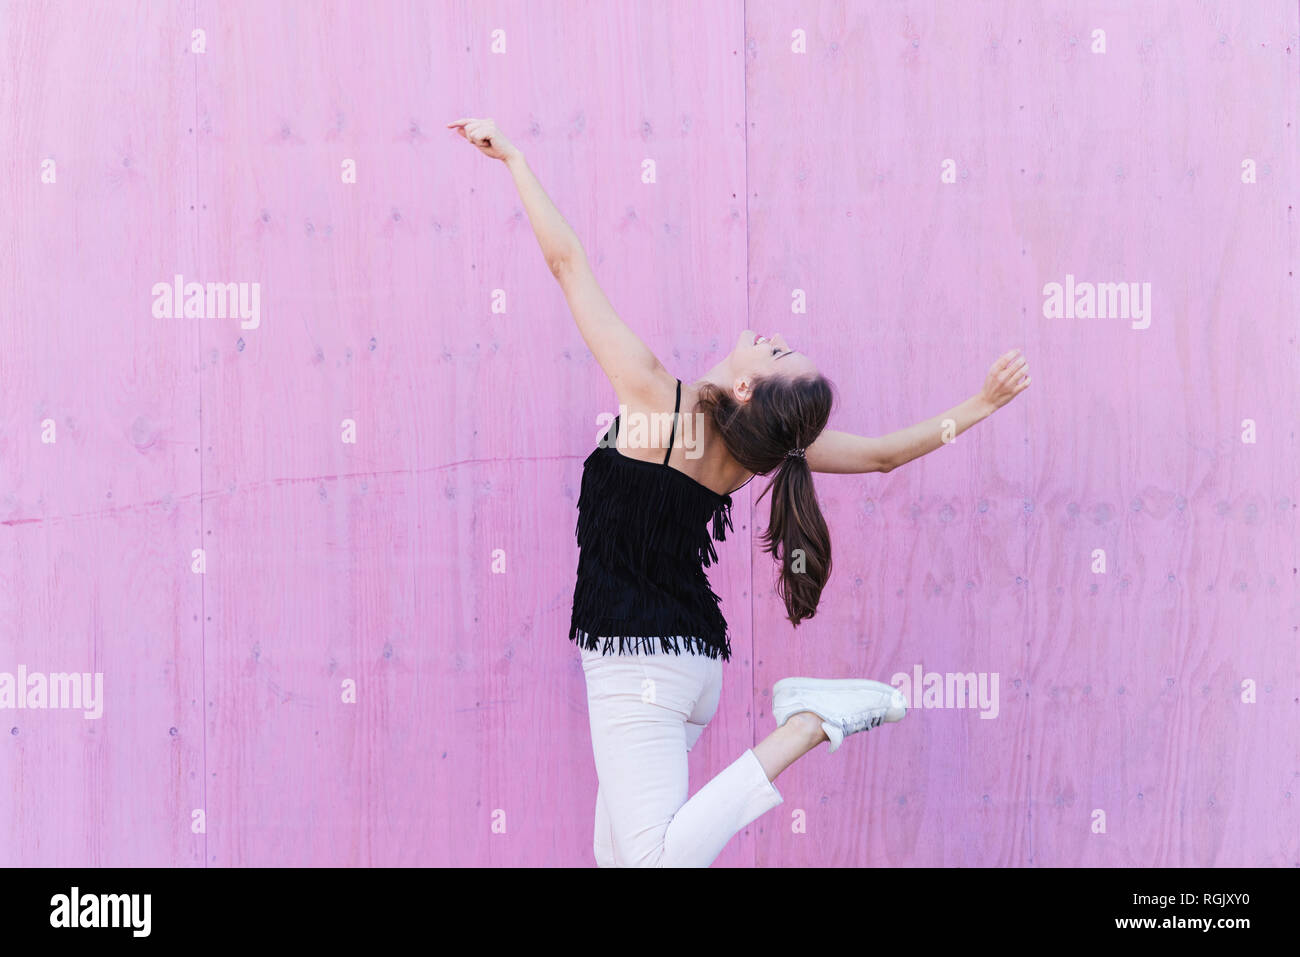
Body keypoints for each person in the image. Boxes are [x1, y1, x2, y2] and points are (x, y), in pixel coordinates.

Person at [448, 117, 1031, 867]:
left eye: (778, 350)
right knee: (617, 861)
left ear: (750, 381)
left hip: (637, 665)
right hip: (688, 669)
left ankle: (808, 723)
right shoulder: (760, 450)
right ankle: (805, 718)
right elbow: (885, 457)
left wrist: (517, 162)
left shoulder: (657, 399)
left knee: (653, 861)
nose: (769, 333)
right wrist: (979, 405)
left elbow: (568, 264)